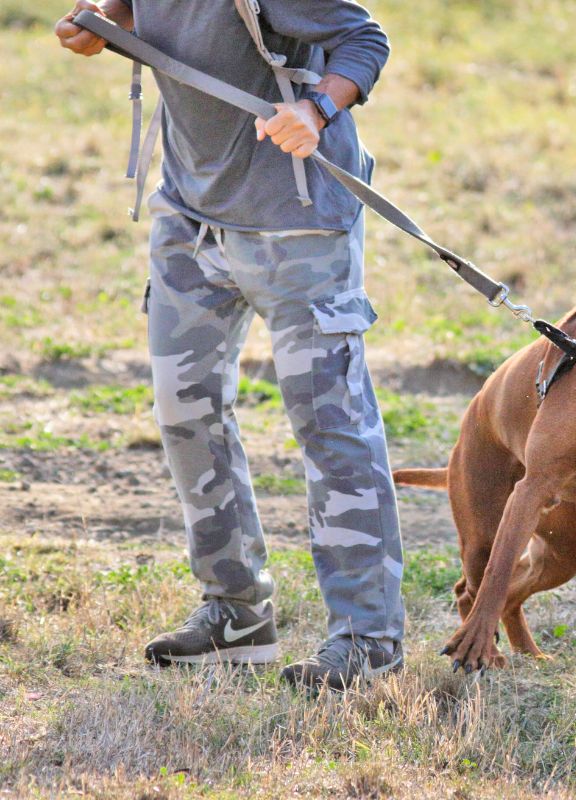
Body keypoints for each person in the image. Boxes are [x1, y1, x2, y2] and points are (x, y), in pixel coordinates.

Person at [54, 0, 405, 691]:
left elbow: (365, 40)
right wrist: (97, 19)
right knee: (186, 412)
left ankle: (369, 641)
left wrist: (316, 113)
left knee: (330, 424)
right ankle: (237, 611)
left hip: (295, 223)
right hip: (189, 214)